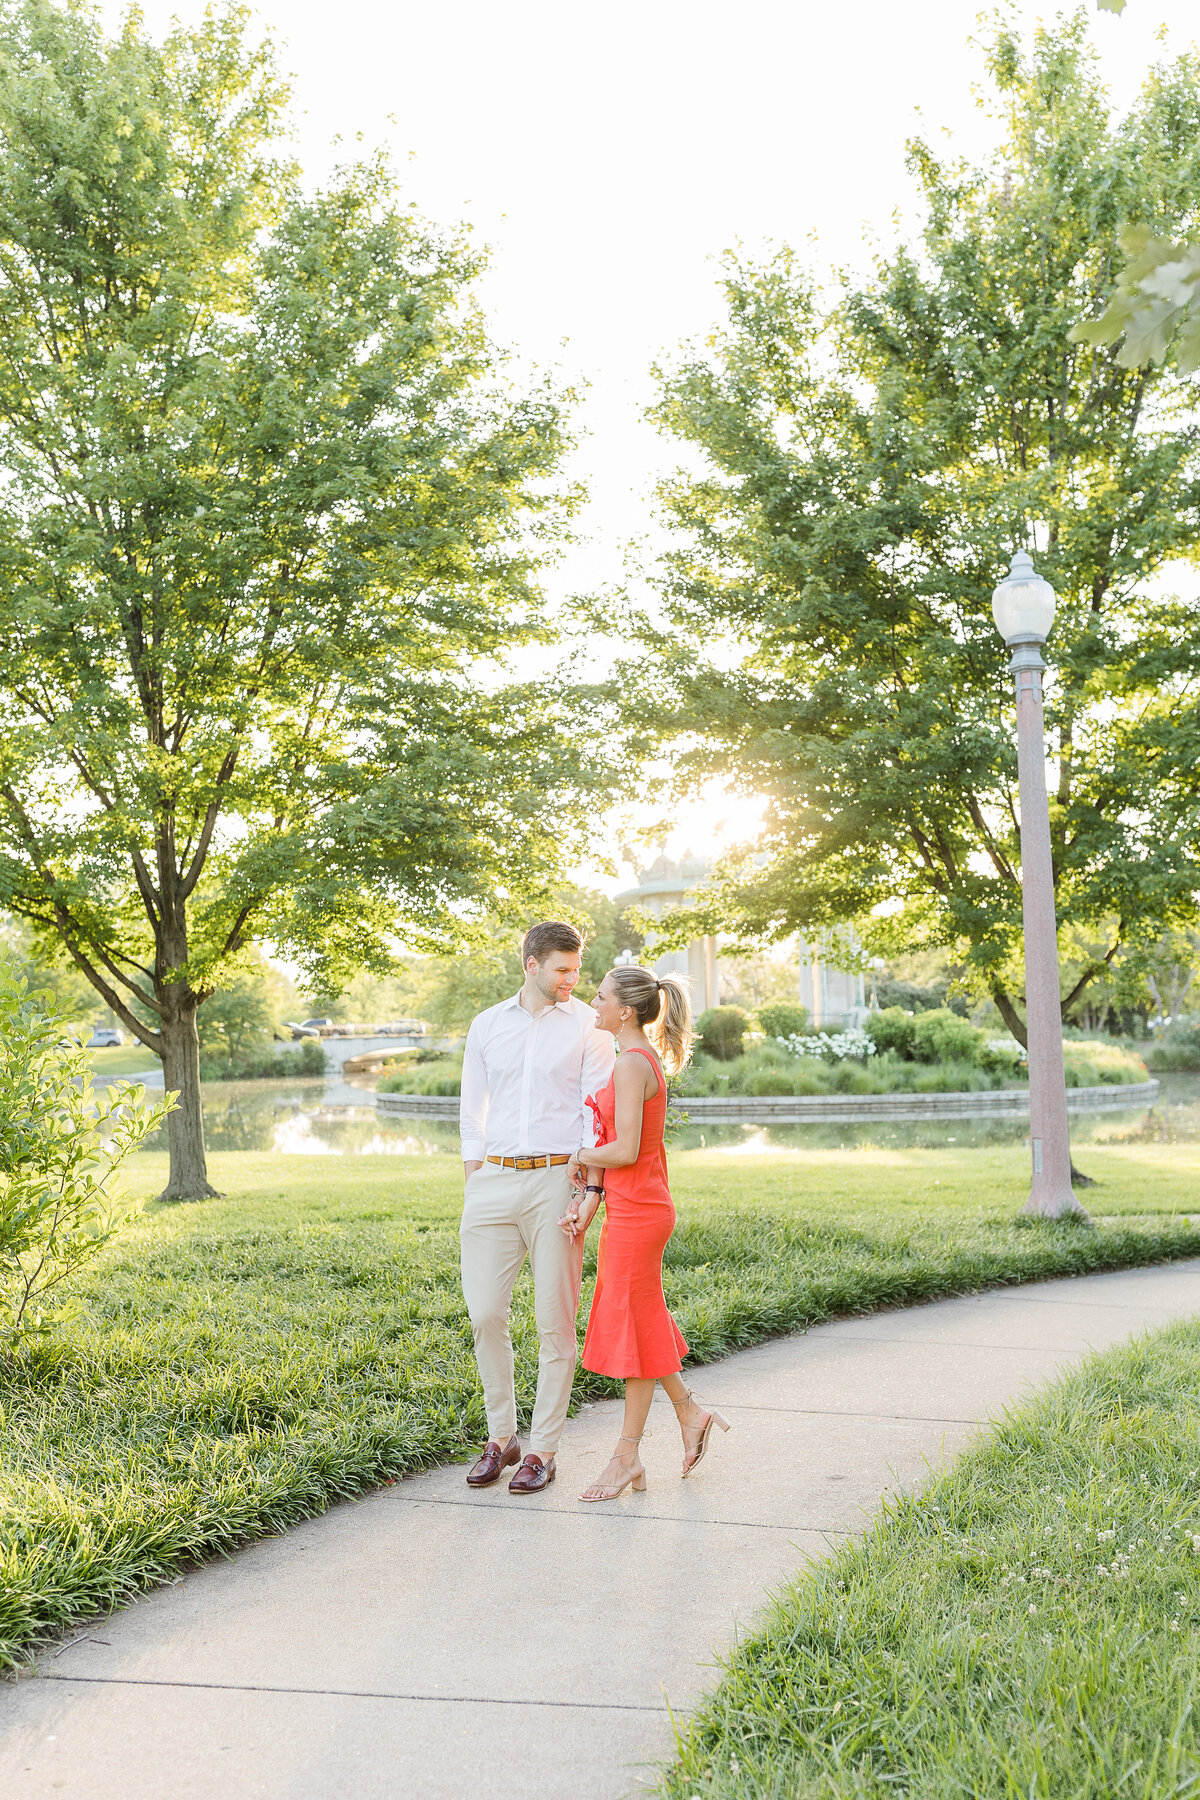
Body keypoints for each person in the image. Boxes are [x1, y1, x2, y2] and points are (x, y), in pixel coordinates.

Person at [560, 964, 730, 1502]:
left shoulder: (633, 1064)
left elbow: (626, 1149)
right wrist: (589, 1199)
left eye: (602, 996)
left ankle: (626, 1456)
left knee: (631, 1327)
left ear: (625, 1010)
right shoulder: (628, 1060)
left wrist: (579, 1156)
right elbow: (620, 1148)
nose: (595, 1002)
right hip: (632, 1208)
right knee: (643, 1318)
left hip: (642, 1214)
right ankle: (689, 1413)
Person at [459, 920, 615, 1495]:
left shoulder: (588, 1025)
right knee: (485, 1315)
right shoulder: (486, 1025)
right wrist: (474, 1175)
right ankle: (502, 1439)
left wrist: (588, 1190)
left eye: (578, 969)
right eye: (563, 970)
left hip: (558, 1179)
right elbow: (471, 1107)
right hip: (493, 1182)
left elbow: (594, 1113)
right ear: (531, 965)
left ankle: (543, 1449)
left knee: (554, 1323)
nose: (574, 980)